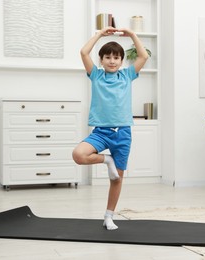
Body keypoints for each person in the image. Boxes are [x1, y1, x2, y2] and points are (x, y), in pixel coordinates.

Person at [72, 27, 149, 230]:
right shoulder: (96, 76)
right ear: (101, 60)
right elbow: (83, 52)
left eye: (116, 57)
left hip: (123, 132)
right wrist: (99, 34)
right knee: (79, 155)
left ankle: (108, 216)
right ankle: (107, 160)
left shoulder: (127, 76)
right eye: (108, 57)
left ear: (122, 61)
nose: (112, 61)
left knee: (117, 178)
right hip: (101, 132)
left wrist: (132, 34)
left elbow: (143, 55)